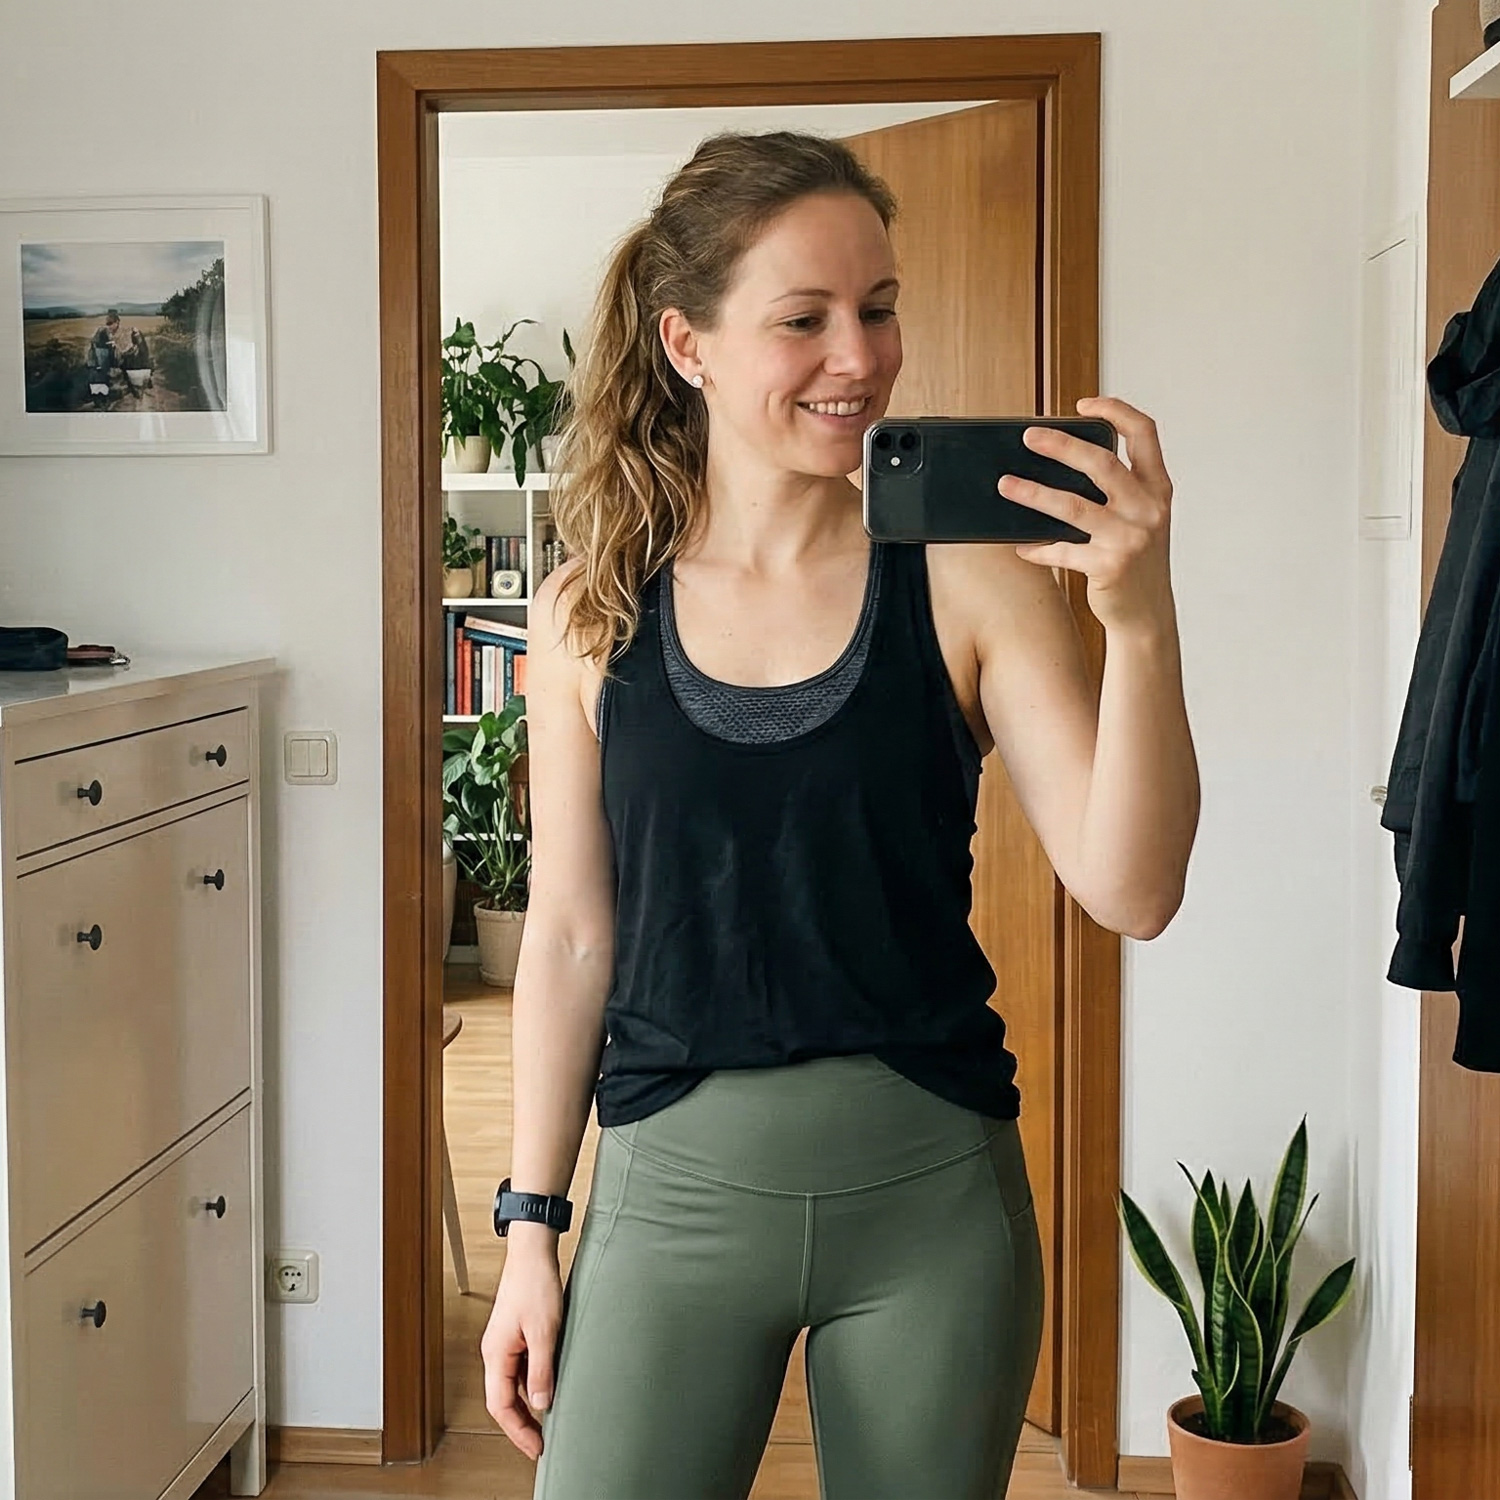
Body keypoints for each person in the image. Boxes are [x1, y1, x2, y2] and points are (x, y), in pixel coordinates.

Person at [480, 130, 1199, 1500]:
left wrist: (1139, 613)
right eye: (802, 319)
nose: (860, 357)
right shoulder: (591, 610)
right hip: (666, 1200)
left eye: (877, 308)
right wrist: (528, 1230)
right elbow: (572, 936)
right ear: (687, 344)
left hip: (932, 1208)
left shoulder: (968, 584)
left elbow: (1135, 888)